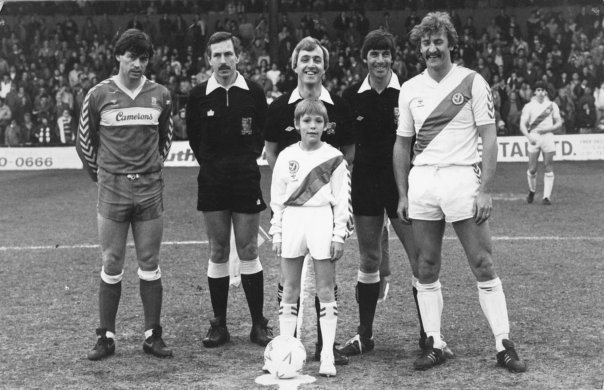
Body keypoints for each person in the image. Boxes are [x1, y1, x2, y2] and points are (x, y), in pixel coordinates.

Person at [393, 12, 527, 373]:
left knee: (483, 263)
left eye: (438, 41)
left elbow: (488, 137)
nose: (432, 48)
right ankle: (434, 342)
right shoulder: (409, 89)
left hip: (462, 181)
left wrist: (485, 190)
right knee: (426, 266)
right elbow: (402, 144)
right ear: (420, 48)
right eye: (426, 43)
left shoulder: (472, 81)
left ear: (451, 43)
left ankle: (503, 344)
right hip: (423, 183)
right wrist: (404, 194)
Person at [339, 29, 453, 359]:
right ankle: (365, 336)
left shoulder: (408, 93)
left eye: (385, 54)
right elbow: (345, 147)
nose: (380, 60)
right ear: (365, 58)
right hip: (364, 186)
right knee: (369, 259)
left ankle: (429, 335)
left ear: (393, 57)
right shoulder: (351, 96)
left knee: (420, 258)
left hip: (404, 187)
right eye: (374, 53)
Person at [77, 29, 174, 361]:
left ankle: (153, 335)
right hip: (113, 189)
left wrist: (149, 169)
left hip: (149, 189)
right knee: (111, 261)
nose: (137, 64)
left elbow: (165, 139)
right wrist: (103, 176)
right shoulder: (98, 94)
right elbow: (85, 142)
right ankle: (105, 337)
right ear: (118, 55)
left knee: (149, 262)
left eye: (143, 58)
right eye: (131, 56)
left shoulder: (160, 94)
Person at [264, 36, 355, 366]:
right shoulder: (278, 109)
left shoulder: (340, 108)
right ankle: (289, 349)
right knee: (289, 284)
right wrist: (296, 187)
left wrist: (335, 211)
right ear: (295, 65)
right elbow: (272, 154)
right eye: (305, 59)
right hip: (293, 214)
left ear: (324, 65)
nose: (311, 64)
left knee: (325, 283)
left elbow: (349, 157)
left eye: (317, 58)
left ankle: (325, 349)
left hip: (325, 214)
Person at [186, 31, 273, 349]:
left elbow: (261, 133)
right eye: (216, 55)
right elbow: (195, 138)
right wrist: (214, 164)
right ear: (208, 60)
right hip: (212, 179)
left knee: (249, 250)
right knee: (218, 250)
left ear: (238, 57)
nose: (223, 61)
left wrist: (241, 159)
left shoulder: (253, 91)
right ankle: (219, 325)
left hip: (245, 177)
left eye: (228, 54)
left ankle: (258, 325)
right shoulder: (198, 95)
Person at [519, 81, 562, 205]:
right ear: (534, 92)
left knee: (548, 165)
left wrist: (548, 129)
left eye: (543, 90)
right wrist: (528, 137)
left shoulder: (552, 105)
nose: (541, 92)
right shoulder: (529, 106)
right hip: (534, 137)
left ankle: (546, 197)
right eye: (538, 90)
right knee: (532, 169)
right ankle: (532, 191)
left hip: (548, 137)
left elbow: (559, 123)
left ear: (546, 92)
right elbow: (522, 125)